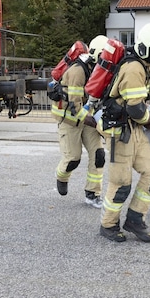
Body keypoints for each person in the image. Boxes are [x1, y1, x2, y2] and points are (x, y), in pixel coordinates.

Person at [98, 23, 150, 243]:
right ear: (145, 50)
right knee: (121, 182)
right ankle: (108, 225)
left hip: (134, 128)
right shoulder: (134, 68)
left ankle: (135, 219)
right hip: (119, 130)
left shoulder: (146, 66)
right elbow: (135, 108)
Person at [52, 35, 108, 208]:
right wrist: (94, 122)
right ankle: (61, 176)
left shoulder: (99, 69)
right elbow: (75, 106)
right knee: (73, 159)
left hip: (87, 118)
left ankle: (93, 193)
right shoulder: (77, 71)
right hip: (69, 120)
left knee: (98, 155)